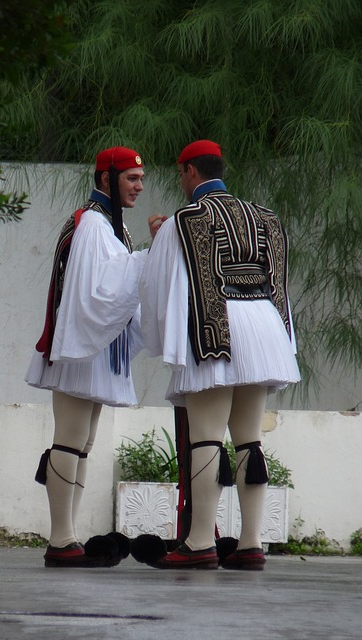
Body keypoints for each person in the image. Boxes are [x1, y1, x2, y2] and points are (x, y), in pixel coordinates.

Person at [138, 140, 300, 570]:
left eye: (180, 174)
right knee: (249, 439)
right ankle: (250, 544)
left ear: (190, 172)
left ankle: (198, 542)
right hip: (266, 328)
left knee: (206, 435)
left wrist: (159, 240)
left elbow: (158, 284)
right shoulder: (265, 216)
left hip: (217, 328)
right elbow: (279, 282)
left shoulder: (184, 219)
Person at [25, 146, 160, 568]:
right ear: (107, 179)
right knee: (69, 439)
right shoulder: (93, 225)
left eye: (141, 179)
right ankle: (60, 539)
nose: (139, 186)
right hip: (80, 347)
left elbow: (119, 286)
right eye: (131, 179)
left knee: (81, 443)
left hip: (94, 349)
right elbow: (98, 292)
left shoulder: (109, 227)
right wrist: (149, 255)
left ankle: (68, 536)